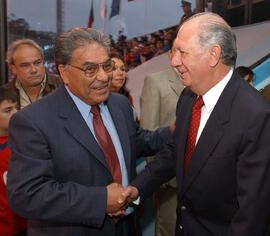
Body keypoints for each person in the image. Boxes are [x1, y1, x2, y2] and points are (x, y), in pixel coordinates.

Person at [6, 27, 170, 236]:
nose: (103, 77)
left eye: (106, 66)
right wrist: (100, 200)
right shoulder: (33, 121)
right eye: (90, 69)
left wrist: (176, 129)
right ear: (64, 72)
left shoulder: (118, 104)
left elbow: (138, 142)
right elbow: (26, 194)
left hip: (128, 227)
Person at [123, 12, 270, 236]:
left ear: (213, 55)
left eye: (182, 52)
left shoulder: (255, 115)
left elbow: (252, 213)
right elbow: (175, 152)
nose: (174, 61)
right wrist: (136, 189)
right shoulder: (188, 98)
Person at [140, 42, 184, 236]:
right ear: (169, 54)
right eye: (178, 51)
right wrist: (155, 173)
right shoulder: (155, 81)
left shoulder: (200, 81)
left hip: (197, 174)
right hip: (168, 174)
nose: (182, 56)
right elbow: (149, 130)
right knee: (168, 227)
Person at [0, 84, 27, 236]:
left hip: (26, 222)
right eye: (7, 110)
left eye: (17, 107)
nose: (16, 113)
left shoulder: (23, 140)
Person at [6, 39, 62, 109]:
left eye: (37, 63)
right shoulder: (4, 95)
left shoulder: (64, 86)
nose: (33, 70)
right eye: (25, 65)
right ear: (12, 68)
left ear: (43, 62)